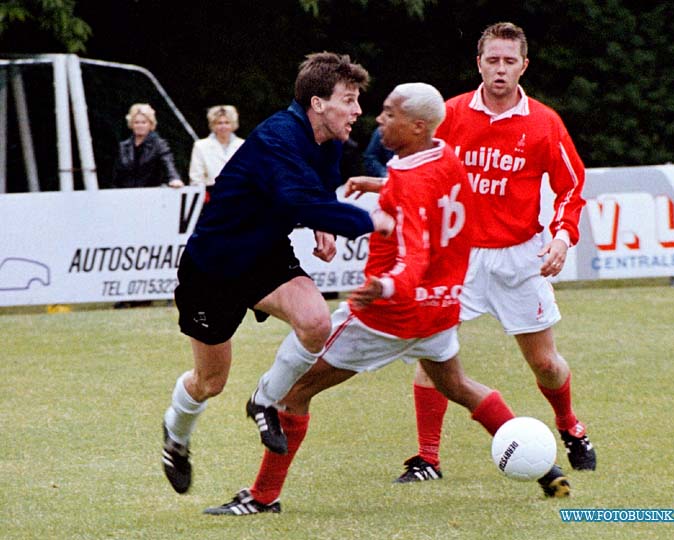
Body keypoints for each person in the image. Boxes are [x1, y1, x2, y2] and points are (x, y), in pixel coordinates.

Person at [203, 82, 570, 516]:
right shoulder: (445, 159)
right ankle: (546, 469)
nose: (379, 119)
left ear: (417, 126)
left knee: (293, 394)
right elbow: (434, 203)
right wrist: (380, 185)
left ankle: (263, 496)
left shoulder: (409, 180)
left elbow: (411, 257)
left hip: (386, 317)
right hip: (438, 310)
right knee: (458, 386)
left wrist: (384, 287)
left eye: (389, 113)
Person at [349, 22, 596, 482]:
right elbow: (423, 174)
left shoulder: (544, 122)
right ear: (478, 63)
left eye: (509, 61)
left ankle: (569, 425)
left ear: (523, 66)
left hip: (520, 257)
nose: (500, 69)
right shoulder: (450, 114)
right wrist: (383, 183)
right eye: (492, 60)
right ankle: (427, 458)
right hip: (457, 258)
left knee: (543, 362)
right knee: (433, 350)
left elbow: (571, 187)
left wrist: (562, 237)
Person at [160, 52, 395, 495]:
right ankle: (176, 435)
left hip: (266, 256)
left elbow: (316, 193)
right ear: (318, 102)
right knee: (209, 382)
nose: (358, 111)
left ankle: (265, 400)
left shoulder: (329, 142)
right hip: (214, 266)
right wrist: (369, 222)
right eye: (349, 99)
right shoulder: (278, 137)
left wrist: (325, 224)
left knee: (315, 322)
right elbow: (296, 200)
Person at [112, 103, 184, 189]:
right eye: (136, 122)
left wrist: (174, 179)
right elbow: (117, 176)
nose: (140, 125)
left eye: (144, 122)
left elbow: (168, 163)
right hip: (126, 194)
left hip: (151, 194)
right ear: (131, 124)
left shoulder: (159, 145)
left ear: (151, 124)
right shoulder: (123, 146)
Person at [188, 104, 245, 199]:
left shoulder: (243, 145)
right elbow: (196, 178)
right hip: (212, 197)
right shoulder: (201, 146)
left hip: (239, 196)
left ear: (233, 124)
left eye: (227, 122)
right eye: (219, 123)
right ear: (213, 125)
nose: (223, 126)